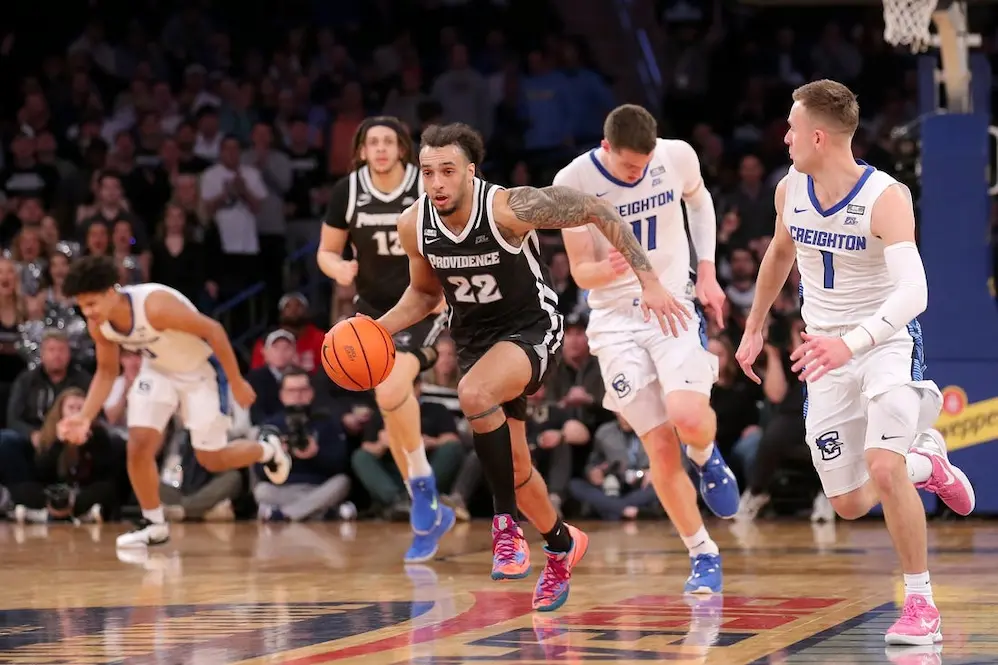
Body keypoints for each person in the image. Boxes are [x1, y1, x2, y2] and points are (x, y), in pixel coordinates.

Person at [378, 122, 690, 612]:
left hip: (531, 329)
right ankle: (561, 544)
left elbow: (597, 208)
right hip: (476, 341)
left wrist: (646, 278)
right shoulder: (412, 224)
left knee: (474, 395)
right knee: (519, 470)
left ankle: (505, 530)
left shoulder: (509, 207)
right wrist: (377, 328)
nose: (437, 182)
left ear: (469, 172)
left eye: (448, 171)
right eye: (428, 172)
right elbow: (424, 293)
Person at [735, 79, 975, 646]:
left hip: (884, 344)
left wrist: (854, 342)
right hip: (826, 349)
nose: (785, 136)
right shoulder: (789, 188)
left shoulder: (886, 197)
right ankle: (928, 464)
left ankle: (920, 603)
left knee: (883, 468)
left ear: (819, 136)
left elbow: (914, 293)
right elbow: (779, 252)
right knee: (846, 502)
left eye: (792, 128)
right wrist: (753, 326)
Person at [555, 104, 739, 594]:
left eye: (644, 165)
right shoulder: (572, 180)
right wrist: (611, 268)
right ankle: (702, 553)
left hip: (672, 302)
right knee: (658, 444)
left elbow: (699, 203)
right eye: (628, 167)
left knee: (689, 415)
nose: (637, 175)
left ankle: (705, 454)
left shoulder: (676, 156)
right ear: (606, 146)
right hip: (615, 321)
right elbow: (580, 271)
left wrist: (707, 269)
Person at [58, 255, 291, 549]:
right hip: (157, 370)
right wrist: (85, 417)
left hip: (200, 372)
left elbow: (214, 331)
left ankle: (267, 450)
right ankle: (154, 524)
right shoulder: (100, 325)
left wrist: (235, 380)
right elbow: (106, 372)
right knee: (138, 445)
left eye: (91, 304)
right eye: (82, 306)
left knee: (211, 458)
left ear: (111, 292)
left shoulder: (155, 307)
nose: (87, 312)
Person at [317, 116, 454, 563]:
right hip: (373, 312)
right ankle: (427, 506)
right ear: (361, 151)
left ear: (402, 150)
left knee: (392, 387)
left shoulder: (423, 184)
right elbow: (326, 251)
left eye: (388, 142)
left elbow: (454, 234)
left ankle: (422, 488)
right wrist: (338, 268)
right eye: (372, 142)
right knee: (391, 403)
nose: (379, 149)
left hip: (425, 303)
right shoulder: (349, 191)